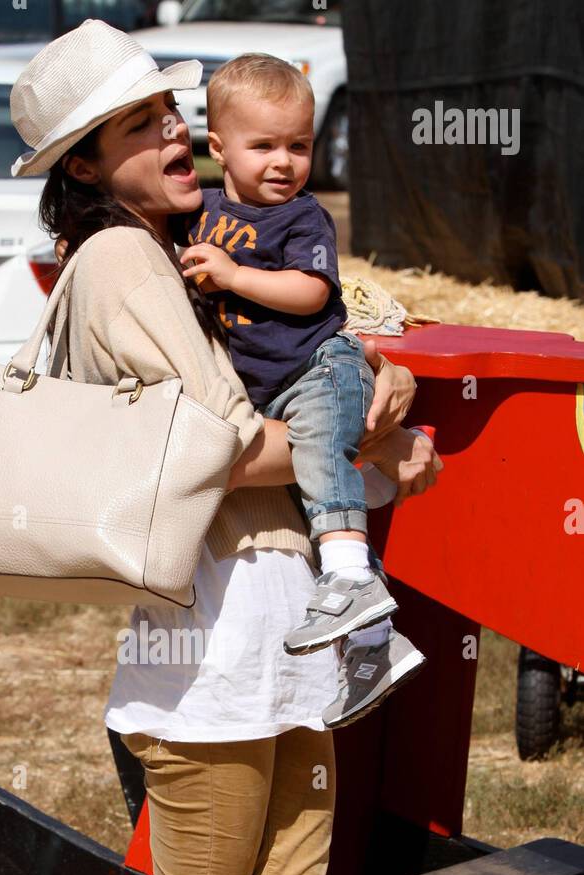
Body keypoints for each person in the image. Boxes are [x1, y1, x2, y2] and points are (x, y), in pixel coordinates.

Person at [9, 19, 440, 875]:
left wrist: (356, 406)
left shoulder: (169, 257)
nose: (174, 139)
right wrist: (358, 439)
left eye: (170, 116)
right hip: (218, 656)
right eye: (141, 128)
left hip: (259, 639)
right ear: (87, 164)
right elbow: (214, 447)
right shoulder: (119, 269)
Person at [180, 53, 426, 730]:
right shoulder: (200, 210)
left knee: (320, 459)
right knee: (313, 502)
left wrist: (231, 277)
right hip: (270, 391)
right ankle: (376, 645)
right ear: (218, 147)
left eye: (298, 145)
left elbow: (310, 292)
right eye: (262, 146)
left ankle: (349, 580)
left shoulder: (303, 220)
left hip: (320, 370)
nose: (283, 162)